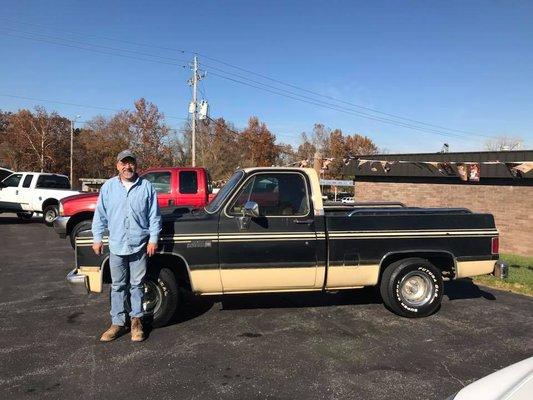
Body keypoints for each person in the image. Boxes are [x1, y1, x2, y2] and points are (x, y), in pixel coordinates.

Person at [92, 150, 161, 342]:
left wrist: (153, 239)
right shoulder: (108, 187)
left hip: (139, 246)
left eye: (130, 163)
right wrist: (97, 238)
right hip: (116, 245)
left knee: (137, 284)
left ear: (135, 165)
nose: (127, 167)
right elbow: (100, 215)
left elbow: (154, 216)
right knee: (118, 286)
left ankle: (136, 323)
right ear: (117, 166)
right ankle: (117, 323)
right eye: (123, 163)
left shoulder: (146, 187)